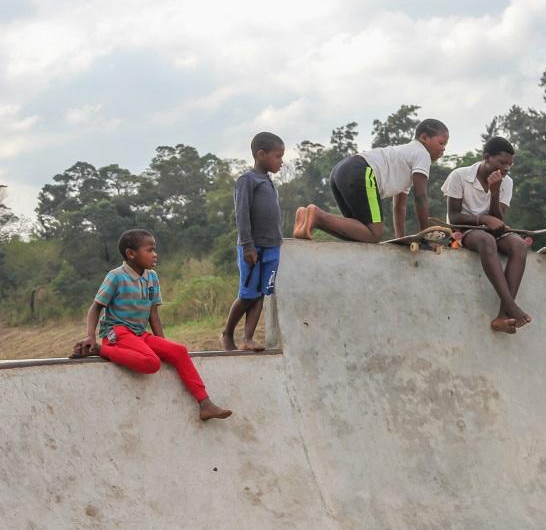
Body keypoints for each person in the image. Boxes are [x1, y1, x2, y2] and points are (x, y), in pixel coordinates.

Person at [72, 229, 232, 422]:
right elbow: (95, 308)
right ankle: (100, 350)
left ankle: (205, 404)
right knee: (151, 363)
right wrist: (91, 336)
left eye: (155, 249)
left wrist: (162, 344)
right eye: (150, 250)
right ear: (131, 254)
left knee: (179, 351)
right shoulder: (116, 276)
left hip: (139, 334)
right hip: (117, 332)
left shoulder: (152, 277)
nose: (155, 254)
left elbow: (153, 314)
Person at [292, 119, 449, 242]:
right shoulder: (422, 154)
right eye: (441, 143)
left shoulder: (406, 158)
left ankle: (308, 218)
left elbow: (399, 207)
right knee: (374, 234)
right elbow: (421, 197)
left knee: (359, 234)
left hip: (341, 171)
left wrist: (402, 238)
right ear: (424, 138)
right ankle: (318, 216)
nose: (443, 149)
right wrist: (425, 234)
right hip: (362, 171)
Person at [442, 136, 530, 333]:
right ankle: (511, 306)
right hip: (464, 230)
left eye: (510, 164)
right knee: (486, 239)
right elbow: (454, 216)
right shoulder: (460, 176)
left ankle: (502, 317)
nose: (507, 168)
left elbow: (499, 219)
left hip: (493, 228)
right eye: (502, 162)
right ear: (487, 157)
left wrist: (495, 191)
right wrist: (481, 220)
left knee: (519, 245)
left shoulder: (506, 182)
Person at [221, 131, 284, 351]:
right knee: (248, 294)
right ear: (261, 154)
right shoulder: (247, 180)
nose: (281, 162)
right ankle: (227, 332)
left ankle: (247, 339)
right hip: (253, 247)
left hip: (272, 246)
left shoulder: (267, 181)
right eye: (278, 156)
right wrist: (248, 245)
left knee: (261, 293)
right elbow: (242, 214)